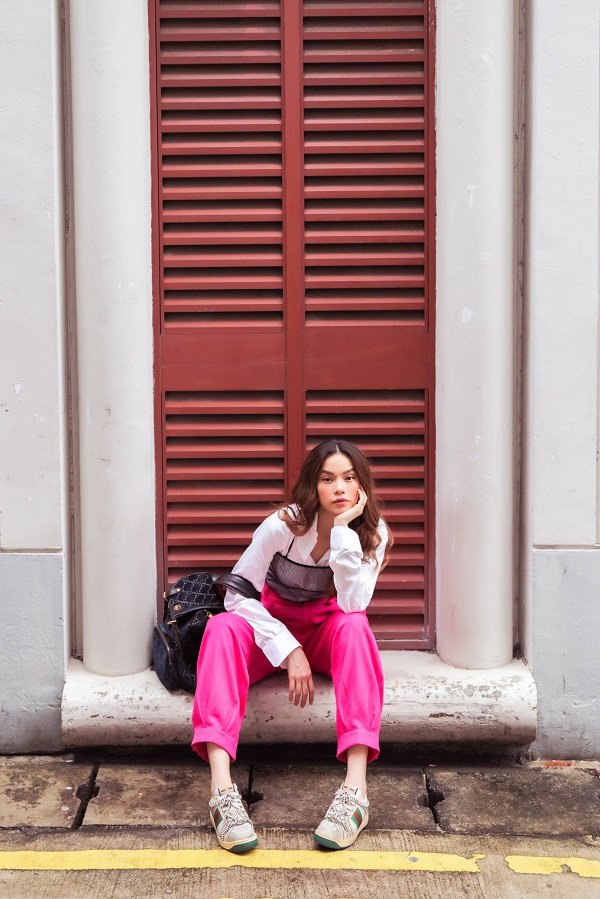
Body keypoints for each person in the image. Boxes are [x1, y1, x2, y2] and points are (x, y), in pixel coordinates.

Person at [191, 439, 392, 853]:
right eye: (327, 479)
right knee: (223, 628)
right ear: (313, 485)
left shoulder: (373, 534)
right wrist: (287, 649)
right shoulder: (282, 525)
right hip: (271, 632)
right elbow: (237, 594)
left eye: (349, 478)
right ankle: (222, 793)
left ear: (361, 486)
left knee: (356, 627)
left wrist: (343, 532)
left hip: (325, 633)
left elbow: (353, 605)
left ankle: (355, 793)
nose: (339, 488)